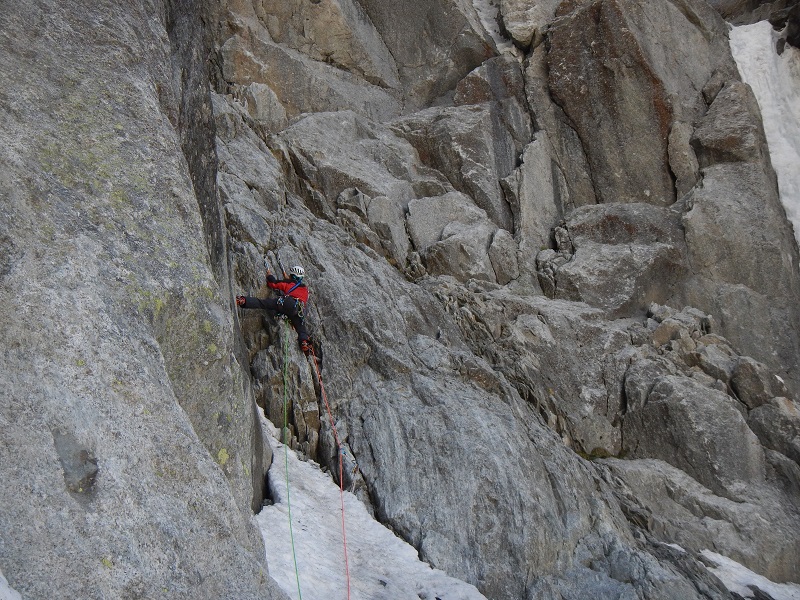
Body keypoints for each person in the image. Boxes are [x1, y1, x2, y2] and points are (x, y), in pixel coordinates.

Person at [236, 264, 315, 356]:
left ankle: (243, 301)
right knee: (301, 329)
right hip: (297, 310)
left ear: (291, 275)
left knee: (263, 303)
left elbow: (273, 283)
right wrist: (288, 279)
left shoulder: (288, 284)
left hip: (286, 303)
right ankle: (304, 342)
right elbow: (296, 288)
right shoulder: (305, 289)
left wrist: (269, 275)